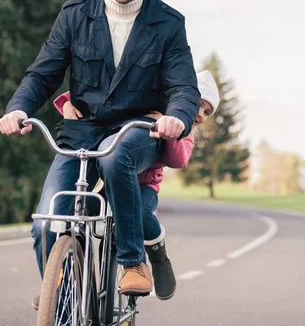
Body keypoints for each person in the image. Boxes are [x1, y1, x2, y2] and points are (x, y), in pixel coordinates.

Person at [0, 0, 200, 303]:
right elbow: (44, 74)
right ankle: (61, 290)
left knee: (114, 153)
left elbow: (183, 87)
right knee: (48, 221)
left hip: (137, 131)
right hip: (80, 132)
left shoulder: (168, 23)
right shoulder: (75, 15)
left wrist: (178, 118)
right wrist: (18, 109)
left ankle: (133, 260)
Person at [52, 70, 220, 300]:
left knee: (139, 211)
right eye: (198, 104)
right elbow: (104, 97)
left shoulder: (185, 131)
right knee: (80, 212)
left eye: (207, 112)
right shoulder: (150, 105)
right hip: (111, 183)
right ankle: (60, 283)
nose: (200, 114)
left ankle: (157, 253)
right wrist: (67, 103)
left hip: (144, 187)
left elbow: (178, 160)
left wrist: (169, 129)